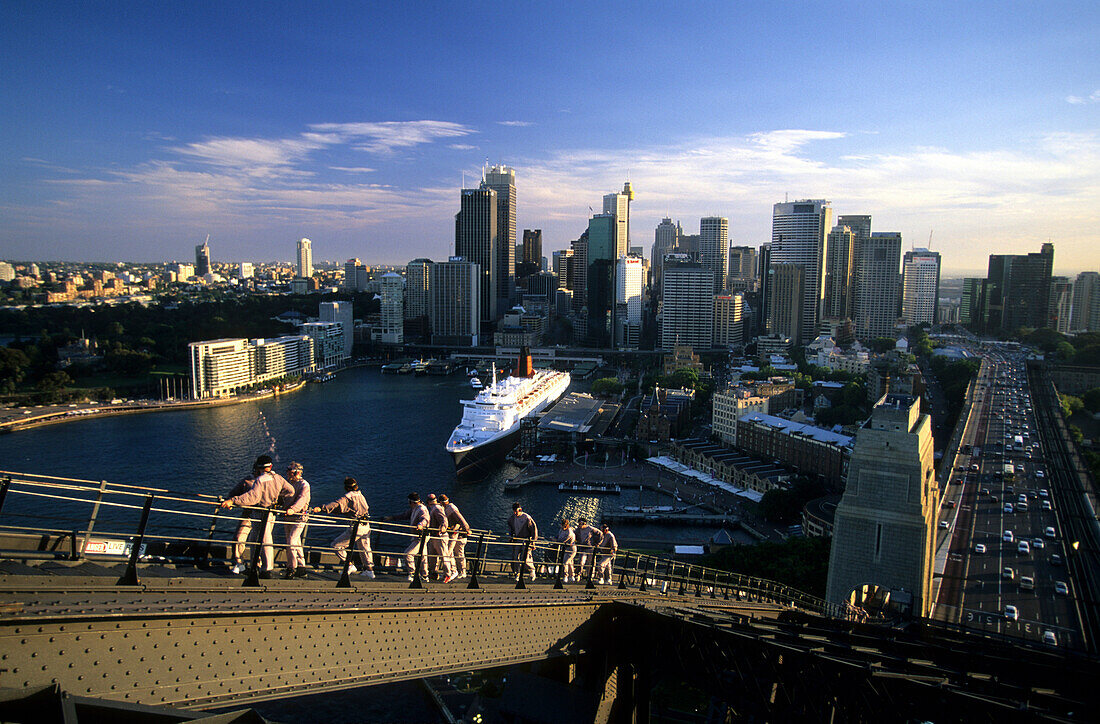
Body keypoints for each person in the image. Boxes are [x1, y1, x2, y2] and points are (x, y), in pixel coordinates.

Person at [220, 454, 295, 578]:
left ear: (259, 467)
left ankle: (264, 569)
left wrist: (232, 501)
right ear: (270, 466)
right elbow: (291, 491)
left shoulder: (260, 480)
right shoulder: (278, 478)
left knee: (261, 541)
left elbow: (252, 497)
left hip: (259, 512)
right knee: (260, 540)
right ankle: (260, 567)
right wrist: (279, 500)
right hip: (270, 512)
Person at [311, 477, 375, 578]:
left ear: (346, 487)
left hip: (356, 527)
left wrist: (321, 508)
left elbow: (336, 505)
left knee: (336, 545)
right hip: (366, 525)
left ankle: (349, 565)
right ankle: (369, 571)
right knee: (365, 548)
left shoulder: (348, 497)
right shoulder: (361, 495)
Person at [280, 462, 311, 578]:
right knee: (295, 542)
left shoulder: (304, 485)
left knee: (291, 541)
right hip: (288, 517)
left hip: (299, 517)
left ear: (297, 473)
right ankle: (302, 567)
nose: (288, 474)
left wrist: (293, 509)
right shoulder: (288, 483)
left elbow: (302, 499)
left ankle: (291, 567)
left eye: (290, 472)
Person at [440, 493, 471, 579]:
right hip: (456, 534)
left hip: (458, 535)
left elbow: (461, 519)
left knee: (456, 553)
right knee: (454, 553)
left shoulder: (451, 509)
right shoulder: (449, 508)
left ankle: (459, 571)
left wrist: (467, 529)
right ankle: (457, 571)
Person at [426, 494, 455, 582]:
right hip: (434, 536)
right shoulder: (434, 508)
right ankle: (433, 573)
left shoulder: (437, 508)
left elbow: (444, 519)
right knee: (432, 556)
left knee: (444, 555)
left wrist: (443, 528)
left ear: (428, 502)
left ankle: (448, 574)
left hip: (440, 536)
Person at [507, 502, 537, 581]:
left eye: (516, 511)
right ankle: (517, 573)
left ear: (520, 510)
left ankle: (532, 570)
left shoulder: (527, 518)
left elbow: (534, 530)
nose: (515, 513)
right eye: (514, 511)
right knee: (515, 557)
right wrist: (511, 536)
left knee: (526, 558)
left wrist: (533, 542)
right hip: (517, 540)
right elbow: (510, 526)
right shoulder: (512, 518)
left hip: (526, 540)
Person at [403, 493, 430, 581]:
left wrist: (420, 524)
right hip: (419, 537)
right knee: (423, 556)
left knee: (408, 554)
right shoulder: (415, 508)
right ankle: (425, 576)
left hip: (420, 537)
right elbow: (405, 515)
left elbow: (425, 518)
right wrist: (390, 518)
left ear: (411, 502)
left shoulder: (422, 509)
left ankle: (413, 574)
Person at [556, 518, 577, 582]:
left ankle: (566, 575)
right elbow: (559, 536)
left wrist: (557, 541)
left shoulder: (569, 531)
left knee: (565, 562)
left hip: (571, 548)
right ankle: (572, 576)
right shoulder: (561, 530)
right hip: (565, 548)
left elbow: (565, 539)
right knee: (570, 563)